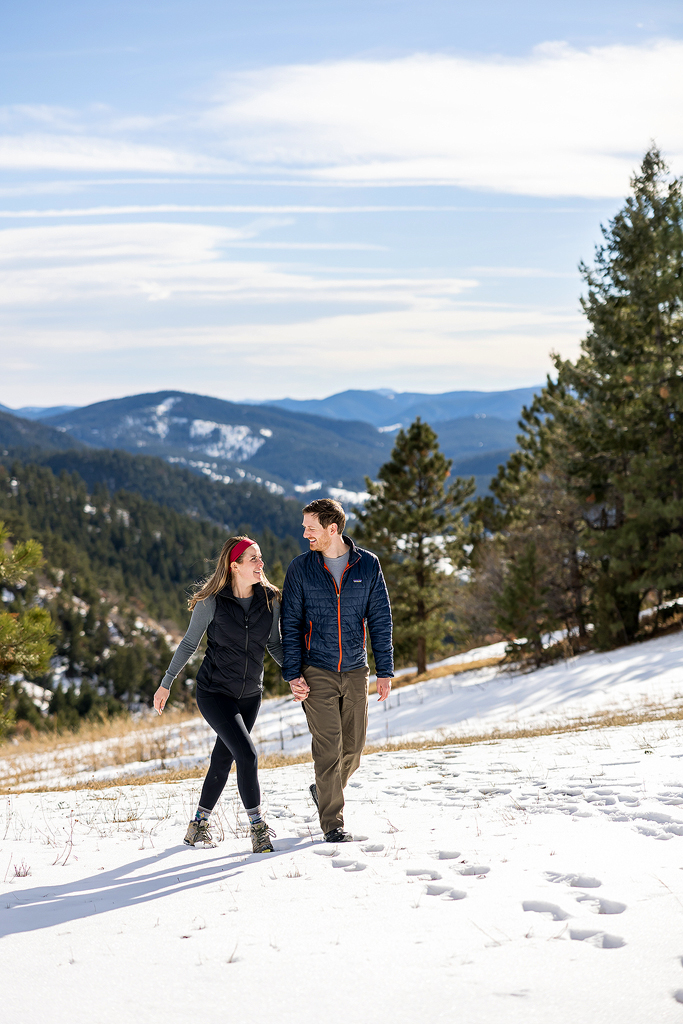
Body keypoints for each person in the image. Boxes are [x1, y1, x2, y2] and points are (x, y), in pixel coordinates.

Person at [153, 535, 282, 854]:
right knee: (247, 755)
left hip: (251, 694)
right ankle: (258, 829)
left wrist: (298, 675)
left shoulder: (271, 599)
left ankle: (197, 825)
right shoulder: (212, 601)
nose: (261, 564)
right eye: (253, 559)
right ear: (234, 566)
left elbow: (275, 644)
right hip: (214, 692)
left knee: (224, 757)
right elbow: (188, 644)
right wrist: (167, 682)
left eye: (261, 558)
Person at [281, 498, 394, 843]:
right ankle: (333, 823)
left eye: (310, 528)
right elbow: (290, 623)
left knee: (354, 748)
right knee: (328, 748)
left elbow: (380, 618)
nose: (305, 534)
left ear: (332, 529)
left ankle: (324, 789)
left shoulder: (367, 565)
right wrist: (292, 673)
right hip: (317, 669)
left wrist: (384, 669)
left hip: (356, 669)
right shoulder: (301, 568)